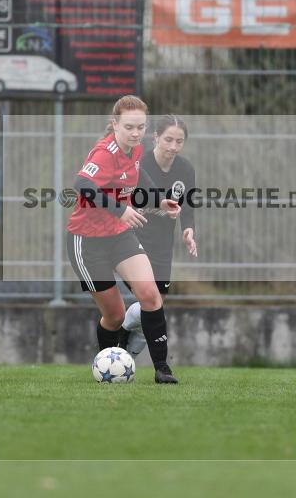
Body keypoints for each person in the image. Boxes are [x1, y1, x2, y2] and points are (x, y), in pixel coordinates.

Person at [65, 95, 181, 384]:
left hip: (119, 236)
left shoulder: (136, 150)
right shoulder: (105, 152)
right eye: (129, 127)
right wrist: (121, 209)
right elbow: (82, 184)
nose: (135, 133)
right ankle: (107, 368)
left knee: (150, 294)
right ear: (115, 124)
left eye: (140, 127)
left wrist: (160, 200)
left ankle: (162, 369)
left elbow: (138, 177)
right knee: (115, 317)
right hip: (87, 242)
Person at [118, 115, 197, 357]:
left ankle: (124, 344)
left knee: (155, 307)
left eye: (179, 141)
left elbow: (188, 206)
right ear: (156, 138)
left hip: (163, 245)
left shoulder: (185, 169)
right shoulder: (139, 163)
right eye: (168, 139)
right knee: (150, 303)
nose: (173, 146)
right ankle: (128, 354)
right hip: (133, 242)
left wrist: (188, 229)